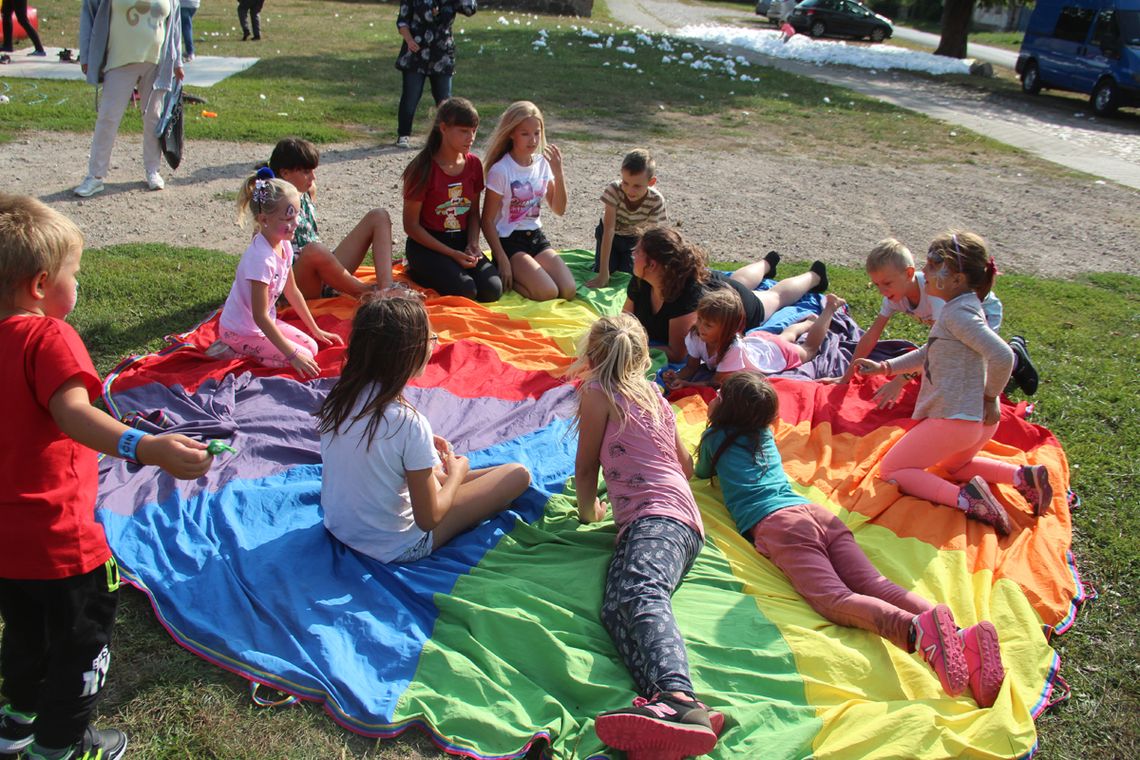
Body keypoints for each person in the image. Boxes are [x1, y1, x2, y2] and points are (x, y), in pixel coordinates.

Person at [0, 194, 213, 760]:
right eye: (76, 273)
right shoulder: (47, 337)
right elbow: (73, 414)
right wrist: (146, 447)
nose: (80, 284)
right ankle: (62, 744)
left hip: (6, 543)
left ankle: (16, 720)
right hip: (61, 542)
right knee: (81, 640)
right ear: (42, 284)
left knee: (23, 632)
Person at [695, 371, 1006, 708]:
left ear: (727, 411)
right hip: (815, 513)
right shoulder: (763, 436)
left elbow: (700, 473)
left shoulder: (716, 439)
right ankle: (961, 637)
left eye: (719, 395)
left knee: (833, 599)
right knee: (874, 583)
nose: (714, 397)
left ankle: (916, 633)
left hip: (779, 524)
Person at [570, 314, 718, 758]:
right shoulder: (653, 393)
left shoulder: (597, 394)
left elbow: (585, 469)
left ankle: (678, 696)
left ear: (593, 356)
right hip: (680, 521)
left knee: (640, 592)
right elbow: (686, 468)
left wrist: (588, 512)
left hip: (659, 521)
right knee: (616, 608)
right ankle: (669, 709)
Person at [853, 231, 1053, 535]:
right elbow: (931, 351)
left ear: (956, 278)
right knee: (953, 468)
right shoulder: (962, 308)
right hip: (974, 422)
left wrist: (989, 397)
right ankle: (1022, 477)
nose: (924, 274)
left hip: (957, 418)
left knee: (892, 469)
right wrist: (885, 367)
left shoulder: (957, 313)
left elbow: (1002, 355)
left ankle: (968, 500)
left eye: (931, 268)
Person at [317, 296, 530, 563]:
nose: (436, 344)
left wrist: (426, 451)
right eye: (432, 338)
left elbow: (372, 449)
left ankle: (452, 480)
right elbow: (429, 518)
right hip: (397, 545)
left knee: (447, 475)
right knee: (517, 474)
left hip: (340, 527)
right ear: (410, 352)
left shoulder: (341, 397)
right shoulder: (407, 423)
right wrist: (456, 474)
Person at [827, 238, 1039, 402]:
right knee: (954, 363)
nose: (882, 291)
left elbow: (936, 349)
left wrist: (901, 380)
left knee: (976, 362)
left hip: (980, 312)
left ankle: (1016, 357)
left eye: (887, 283)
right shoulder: (895, 296)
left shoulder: (938, 295)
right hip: (956, 323)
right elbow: (871, 336)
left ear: (909, 273)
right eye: (876, 285)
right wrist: (846, 377)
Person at [625, 225, 827, 363]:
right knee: (739, 281)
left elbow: (678, 353)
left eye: (638, 252)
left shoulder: (684, 296)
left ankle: (815, 276)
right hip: (716, 288)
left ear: (652, 264)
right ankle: (767, 263)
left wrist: (629, 348)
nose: (633, 255)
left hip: (734, 303)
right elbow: (624, 320)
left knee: (774, 297)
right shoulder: (642, 280)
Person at [213, 169, 343, 375]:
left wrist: (315, 329)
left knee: (313, 348)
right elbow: (260, 316)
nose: (296, 224)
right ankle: (231, 349)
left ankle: (258, 350)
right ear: (264, 220)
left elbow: (292, 291)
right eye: (288, 219)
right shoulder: (261, 260)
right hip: (240, 331)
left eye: (297, 215)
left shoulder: (284, 245)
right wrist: (292, 356)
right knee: (303, 358)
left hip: (262, 324)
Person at [74, 0, 184, 197]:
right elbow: (88, 15)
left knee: (153, 118)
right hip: (119, 61)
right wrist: (86, 56)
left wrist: (178, 62)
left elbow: (174, 24)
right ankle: (95, 177)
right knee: (108, 117)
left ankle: (153, 170)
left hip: (157, 63)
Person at [267, 138, 395, 299]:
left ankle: (387, 288)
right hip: (294, 282)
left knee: (379, 216)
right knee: (314, 250)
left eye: (313, 171)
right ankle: (370, 293)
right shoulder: (272, 203)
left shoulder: (308, 191)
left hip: (321, 270)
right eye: (306, 172)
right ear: (285, 173)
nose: (313, 177)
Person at [401, 97, 502, 302]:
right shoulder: (422, 168)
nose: (471, 137)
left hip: (462, 241)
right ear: (444, 128)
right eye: (464, 131)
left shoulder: (473, 164)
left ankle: (451, 267)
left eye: (474, 130)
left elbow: (473, 212)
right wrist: (451, 254)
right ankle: (414, 268)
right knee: (466, 291)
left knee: (492, 289)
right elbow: (410, 225)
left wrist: (473, 243)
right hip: (428, 245)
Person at [482, 101, 576, 302]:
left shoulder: (543, 164)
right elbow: (487, 220)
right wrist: (502, 259)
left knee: (568, 290)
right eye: (525, 133)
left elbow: (559, 209)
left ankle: (529, 274)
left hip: (535, 236)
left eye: (537, 132)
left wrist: (558, 173)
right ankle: (509, 276)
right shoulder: (501, 170)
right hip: (510, 241)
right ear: (511, 133)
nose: (532, 139)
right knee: (547, 292)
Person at [664, 288, 845, 390]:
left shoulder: (732, 348)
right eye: (700, 320)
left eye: (708, 325)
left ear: (727, 329)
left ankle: (829, 308)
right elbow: (691, 367)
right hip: (757, 342)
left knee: (808, 349)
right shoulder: (696, 335)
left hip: (774, 354)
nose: (701, 327)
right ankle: (806, 323)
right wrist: (677, 377)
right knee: (784, 336)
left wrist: (688, 384)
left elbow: (716, 382)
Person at [394, 0, 478, 148]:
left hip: (442, 54)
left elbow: (470, 9)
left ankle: (444, 137)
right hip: (416, 53)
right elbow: (402, 21)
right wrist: (409, 40)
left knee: (444, 99)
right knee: (411, 95)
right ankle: (404, 134)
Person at [586, 148, 667, 289]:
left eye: (637, 186)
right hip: (609, 234)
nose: (630, 190)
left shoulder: (656, 200)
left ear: (651, 182)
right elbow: (608, 229)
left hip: (633, 239)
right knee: (604, 270)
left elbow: (651, 236)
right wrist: (604, 272)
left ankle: (621, 258)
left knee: (629, 274)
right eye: (625, 182)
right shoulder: (614, 190)